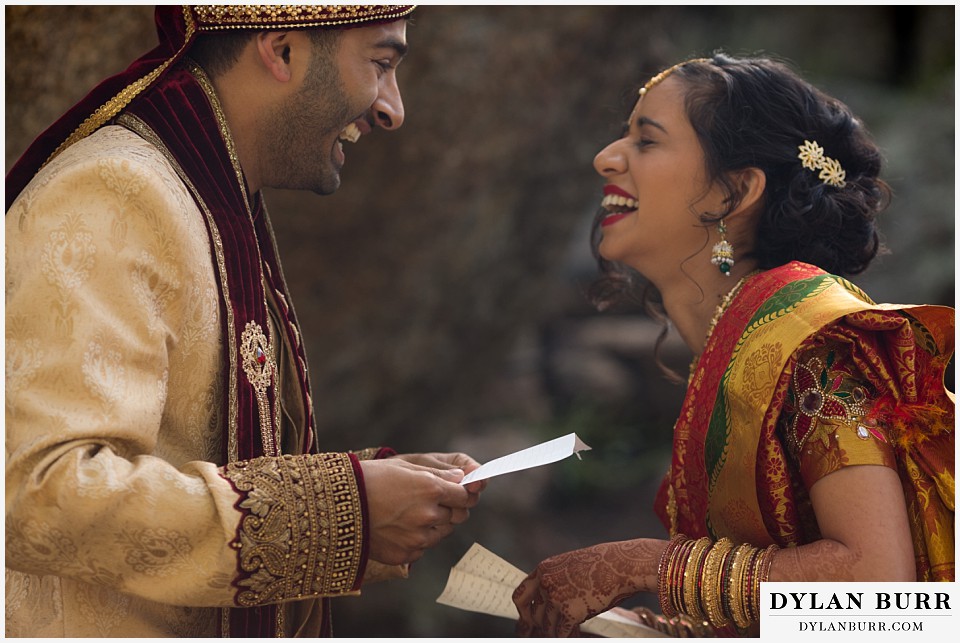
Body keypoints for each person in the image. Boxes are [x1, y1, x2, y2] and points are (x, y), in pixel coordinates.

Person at [5, 5, 487, 637]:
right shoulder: (114, 191)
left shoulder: (204, 195)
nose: (391, 108)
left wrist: (372, 495)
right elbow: (39, 493)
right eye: (380, 63)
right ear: (282, 50)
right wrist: (335, 511)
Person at [512, 53, 955, 637]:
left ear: (734, 193)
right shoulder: (742, 344)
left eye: (646, 141)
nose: (606, 157)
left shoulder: (813, 345)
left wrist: (643, 565)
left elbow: (878, 594)